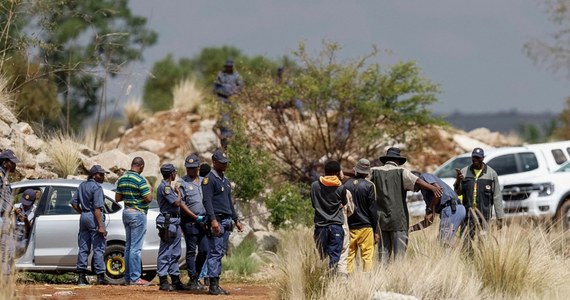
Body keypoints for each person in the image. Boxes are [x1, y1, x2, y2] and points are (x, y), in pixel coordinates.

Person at [371, 147, 443, 263]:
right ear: (398, 161)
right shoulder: (402, 172)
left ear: (386, 160)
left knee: (383, 255)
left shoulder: (374, 171)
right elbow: (417, 182)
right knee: (399, 256)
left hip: (381, 219)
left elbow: (358, 174)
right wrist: (433, 188)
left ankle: (382, 279)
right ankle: (398, 278)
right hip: (399, 220)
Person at [202, 149, 244, 295]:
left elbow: (229, 203)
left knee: (220, 253)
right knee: (214, 252)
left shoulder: (225, 181)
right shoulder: (209, 179)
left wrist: (236, 219)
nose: (225, 165)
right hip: (217, 221)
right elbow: (207, 201)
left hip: (226, 221)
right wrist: (213, 220)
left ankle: (216, 283)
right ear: (214, 163)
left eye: (226, 163)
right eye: (222, 163)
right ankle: (212, 285)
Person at [115, 157, 153, 285]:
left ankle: (128, 277)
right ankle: (136, 278)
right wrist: (151, 190)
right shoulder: (140, 179)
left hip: (126, 212)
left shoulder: (122, 178)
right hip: (137, 213)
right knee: (135, 248)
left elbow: (117, 198)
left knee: (128, 247)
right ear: (141, 166)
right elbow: (148, 198)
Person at [70, 165, 109, 285]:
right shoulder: (96, 188)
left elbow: (74, 203)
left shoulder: (82, 185)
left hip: (84, 217)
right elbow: (97, 208)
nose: (103, 177)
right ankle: (100, 276)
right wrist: (101, 226)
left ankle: (81, 277)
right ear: (94, 175)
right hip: (94, 217)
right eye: (100, 174)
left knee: (83, 248)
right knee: (98, 248)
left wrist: (83, 212)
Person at [155, 164, 191, 291]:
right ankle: (163, 280)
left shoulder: (168, 187)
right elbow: (176, 202)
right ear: (171, 174)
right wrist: (179, 192)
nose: (175, 174)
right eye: (174, 172)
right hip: (168, 222)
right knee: (165, 251)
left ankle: (175, 279)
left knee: (175, 252)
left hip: (174, 221)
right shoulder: (165, 188)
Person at [454, 147, 504, 240]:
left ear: (483, 158)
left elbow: (497, 196)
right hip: (467, 215)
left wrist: (499, 217)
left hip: (484, 215)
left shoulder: (491, 174)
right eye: (474, 158)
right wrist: (458, 181)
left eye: (478, 158)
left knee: (483, 242)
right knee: (466, 241)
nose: (476, 160)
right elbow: (458, 192)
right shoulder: (464, 172)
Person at [409, 172, 466, 246]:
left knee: (444, 241)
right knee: (444, 240)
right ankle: (451, 257)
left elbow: (438, 191)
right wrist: (410, 229)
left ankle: (448, 257)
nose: (409, 188)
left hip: (451, 209)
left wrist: (430, 210)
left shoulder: (424, 177)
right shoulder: (426, 195)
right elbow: (428, 221)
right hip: (453, 210)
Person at [310, 160, 348, 271]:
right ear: (337, 173)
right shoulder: (341, 188)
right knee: (335, 258)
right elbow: (344, 203)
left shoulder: (314, 186)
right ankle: (332, 281)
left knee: (322, 257)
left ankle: (322, 280)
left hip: (320, 226)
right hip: (336, 226)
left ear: (325, 171)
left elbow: (314, 204)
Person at [178, 154, 208, 290]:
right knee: (191, 251)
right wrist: (195, 217)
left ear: (198, 167)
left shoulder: (204, 181)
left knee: (204, 250)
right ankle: (193, 279)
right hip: (190, 221)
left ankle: (196, 275)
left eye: (193, 168)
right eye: (188, 168)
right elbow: (182, 204)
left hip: (204, 221)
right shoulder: (182, 183)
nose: (191, 170)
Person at [345, 159, 378, 273]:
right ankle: (367, 282)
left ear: (356, 169)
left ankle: (347, 281)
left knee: (349, 256)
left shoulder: (346, 184)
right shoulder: (369, 185)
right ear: (366, 172)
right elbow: (372, 210)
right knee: (367, 256)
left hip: (350, 226)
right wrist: (376, 230)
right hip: (366, 226)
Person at [213, 59, 244, 149]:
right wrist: (224, 90)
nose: (228, 68)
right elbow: (215, 87)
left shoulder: (237, 75)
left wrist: (233, 91)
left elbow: (241, 86)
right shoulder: (221, 75)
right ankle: (225, 140)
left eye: (230, 66)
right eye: (227, 66)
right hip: (222, 99)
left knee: (237, 120)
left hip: (233, 100)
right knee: (224, 120)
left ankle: (237, 141)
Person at [0, 149, 20, 277]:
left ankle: (7, 281)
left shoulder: (4, 177)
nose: (15, 166)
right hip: (1, 218)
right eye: (12, 163)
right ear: (5, 163)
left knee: (9, 250)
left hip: (5, 218)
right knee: (5, 251)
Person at [13, 189, 38, 256]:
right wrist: (14, 215)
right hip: (13, 235)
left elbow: (30, 232)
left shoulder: (35, 211)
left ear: (33, 202)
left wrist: (26, 221)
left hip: (24, 238)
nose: (24, 205)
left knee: (23, 246)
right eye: (24, 202)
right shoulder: (15, 207)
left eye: (27, 204)